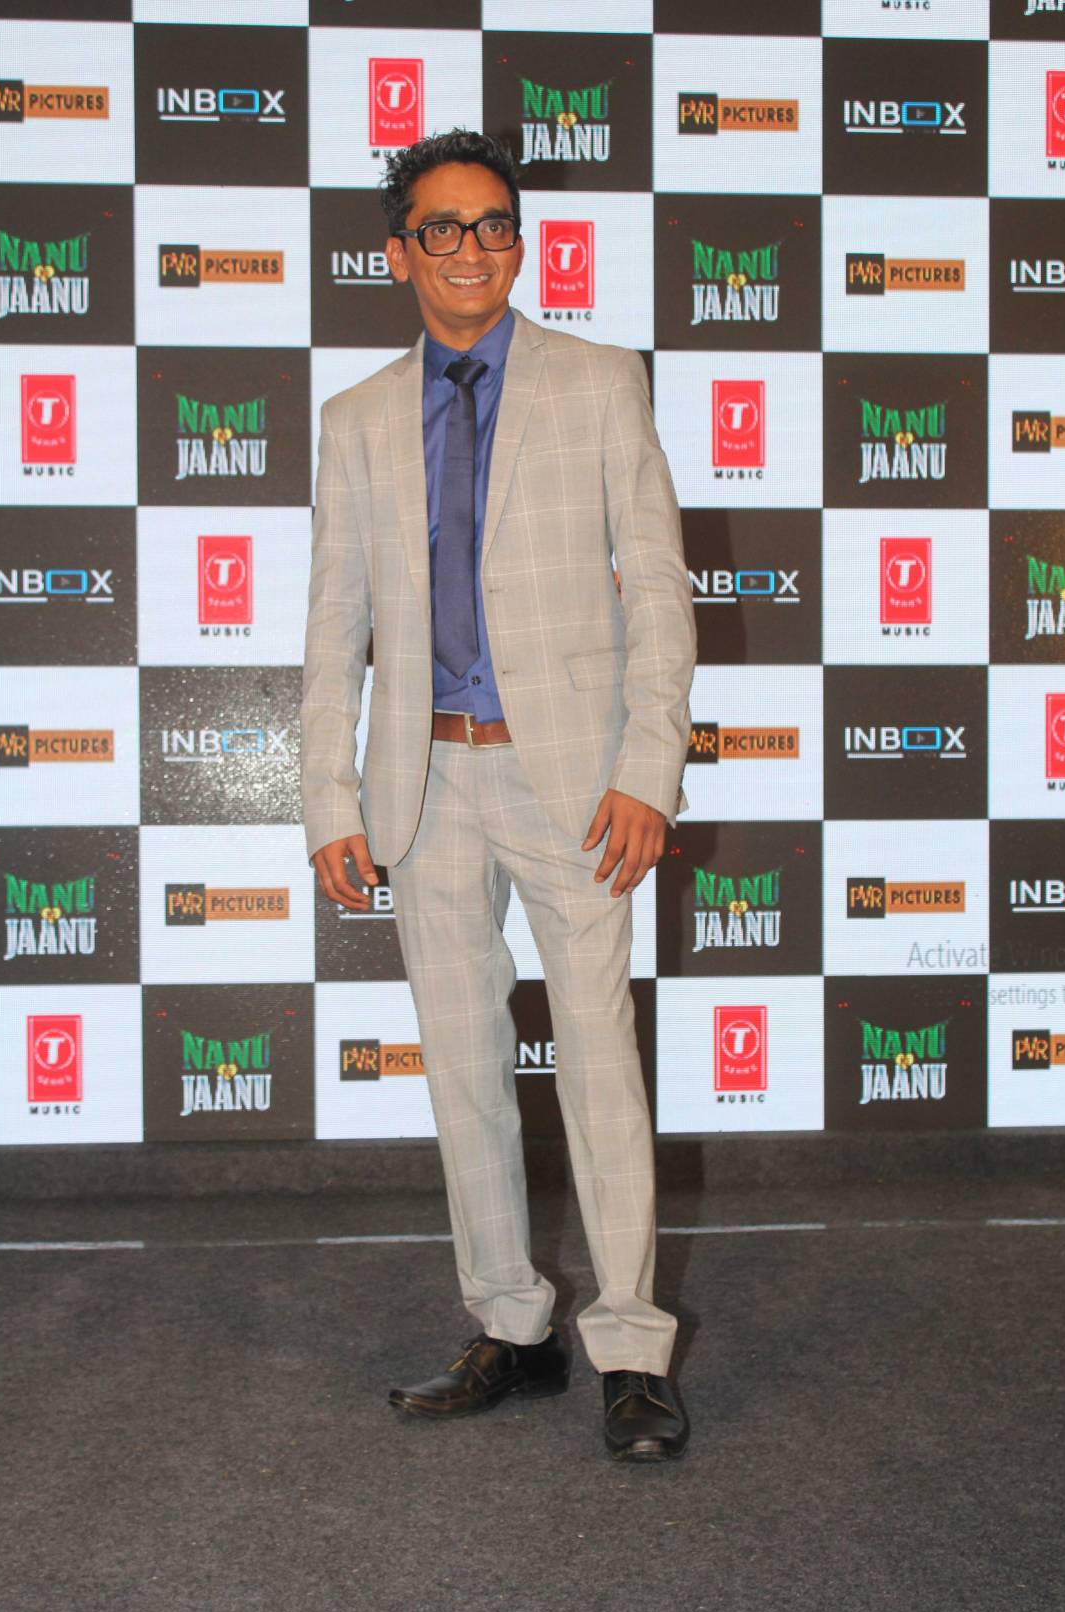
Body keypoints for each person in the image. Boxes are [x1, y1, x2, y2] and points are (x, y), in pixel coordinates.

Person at [301, 129, 696, 1462]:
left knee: (597, 1059)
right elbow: (332, 628)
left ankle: (631, 1346)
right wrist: (330, 800)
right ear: (399, 252)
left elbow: (659, 587)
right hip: (423, 785)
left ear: (518, 243)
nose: (471, 248)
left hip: (572, 778)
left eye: (493, 225)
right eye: (443, 227)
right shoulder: (355, 420)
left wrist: (648, 770)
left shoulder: (600, 380)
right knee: (465, 1066)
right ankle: (512, 1325)